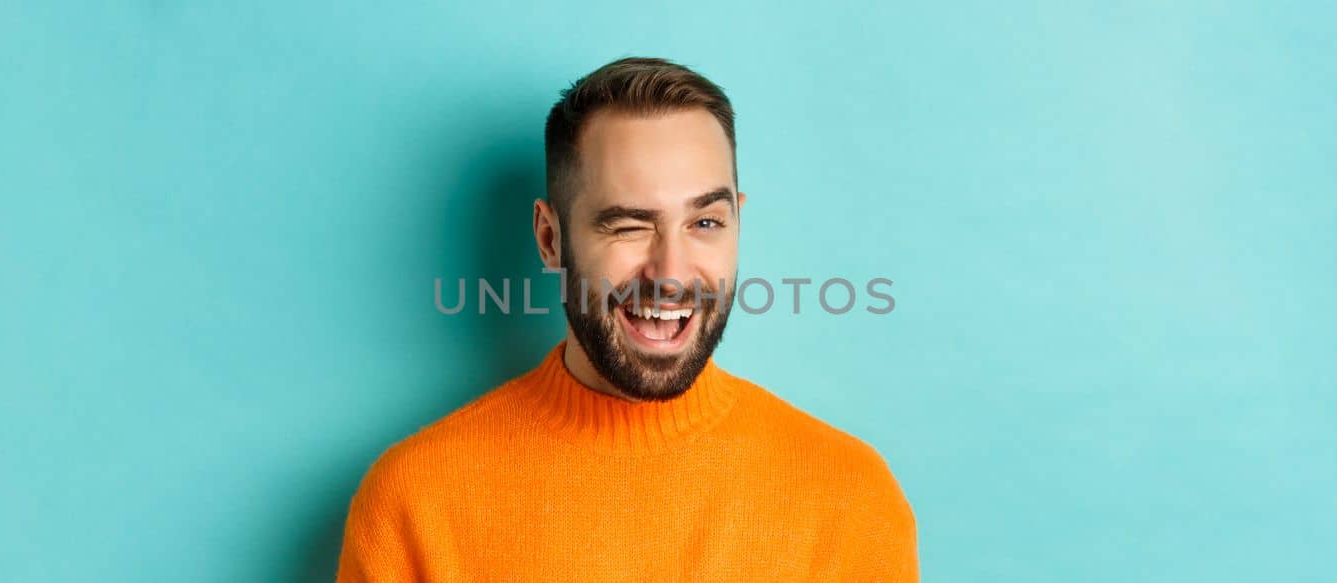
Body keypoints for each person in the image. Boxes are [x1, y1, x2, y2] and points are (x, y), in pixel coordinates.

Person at [337, 56, 918, 581]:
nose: (671, 272)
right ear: (549, 237)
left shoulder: (851, 499)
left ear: (738, 222)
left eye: (706, 223)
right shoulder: (413, 504)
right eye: (628, 225)